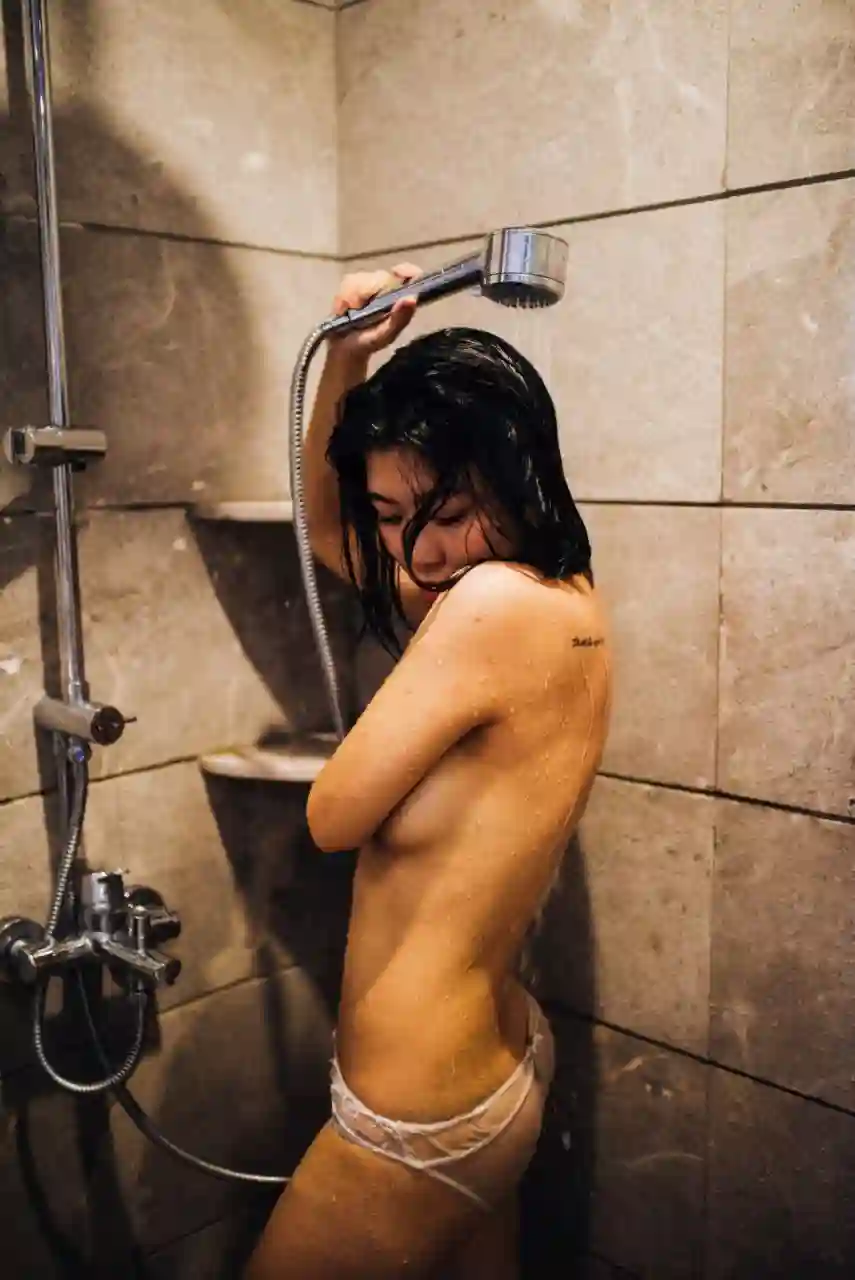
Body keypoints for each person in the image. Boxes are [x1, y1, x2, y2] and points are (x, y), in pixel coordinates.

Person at [245, 266, 612, 1280]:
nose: (419, 551)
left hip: (417, 1113)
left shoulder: (487, 607)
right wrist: (347, 361)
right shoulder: (560, 593)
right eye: (392, 513)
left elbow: (331, 815)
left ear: (514, 474)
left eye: (445, 510)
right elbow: (333, 532)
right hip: (487, 1060)